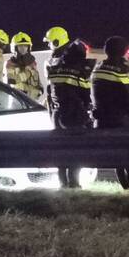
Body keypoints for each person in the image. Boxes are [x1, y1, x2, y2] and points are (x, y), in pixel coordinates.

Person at [43, 26, 93, 188]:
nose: (49, 45)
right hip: (74, 113)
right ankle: (74, 183)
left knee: (60, 149)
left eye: (50, 42)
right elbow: (85, 92)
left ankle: (64, 183)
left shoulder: (53, 64)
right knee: (75, 150)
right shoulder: (76, 67)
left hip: (57, 112)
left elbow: (51, 90)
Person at [91, 36, 129, 189]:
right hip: (121, 119)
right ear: (122, 51)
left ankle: (125, 185)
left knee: (117, 156)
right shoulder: (121, 71)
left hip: (102, 118)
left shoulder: (98, 68)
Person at [5, 31, 44, 101]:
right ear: (15, 48)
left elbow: (36, 76)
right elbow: (11, 80)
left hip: (32, 99)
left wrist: (40, 87)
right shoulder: (10, 63)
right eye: (20, 46)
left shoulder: (32, 62)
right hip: (17, 99)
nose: (23, 48)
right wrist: (29, 72)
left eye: (25, 46)